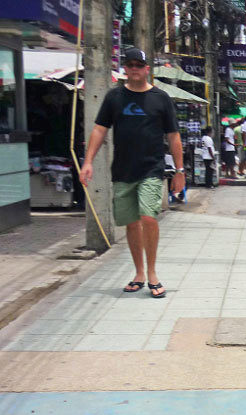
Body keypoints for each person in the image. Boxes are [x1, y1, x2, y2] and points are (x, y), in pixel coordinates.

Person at [79, 47, 183, 299]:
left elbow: (173, 135)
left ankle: (153, 273)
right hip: (123, 170)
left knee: (148, 217)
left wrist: (180, 171)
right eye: (130, 64)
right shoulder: (114, 98)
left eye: (139, 64)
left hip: (152, 168)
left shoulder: (161, 98)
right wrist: (88, 161)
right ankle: (138, 273)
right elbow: (99, 130)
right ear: (125, 68)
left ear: (147, 69)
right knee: (131, 223)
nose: (135, 69)